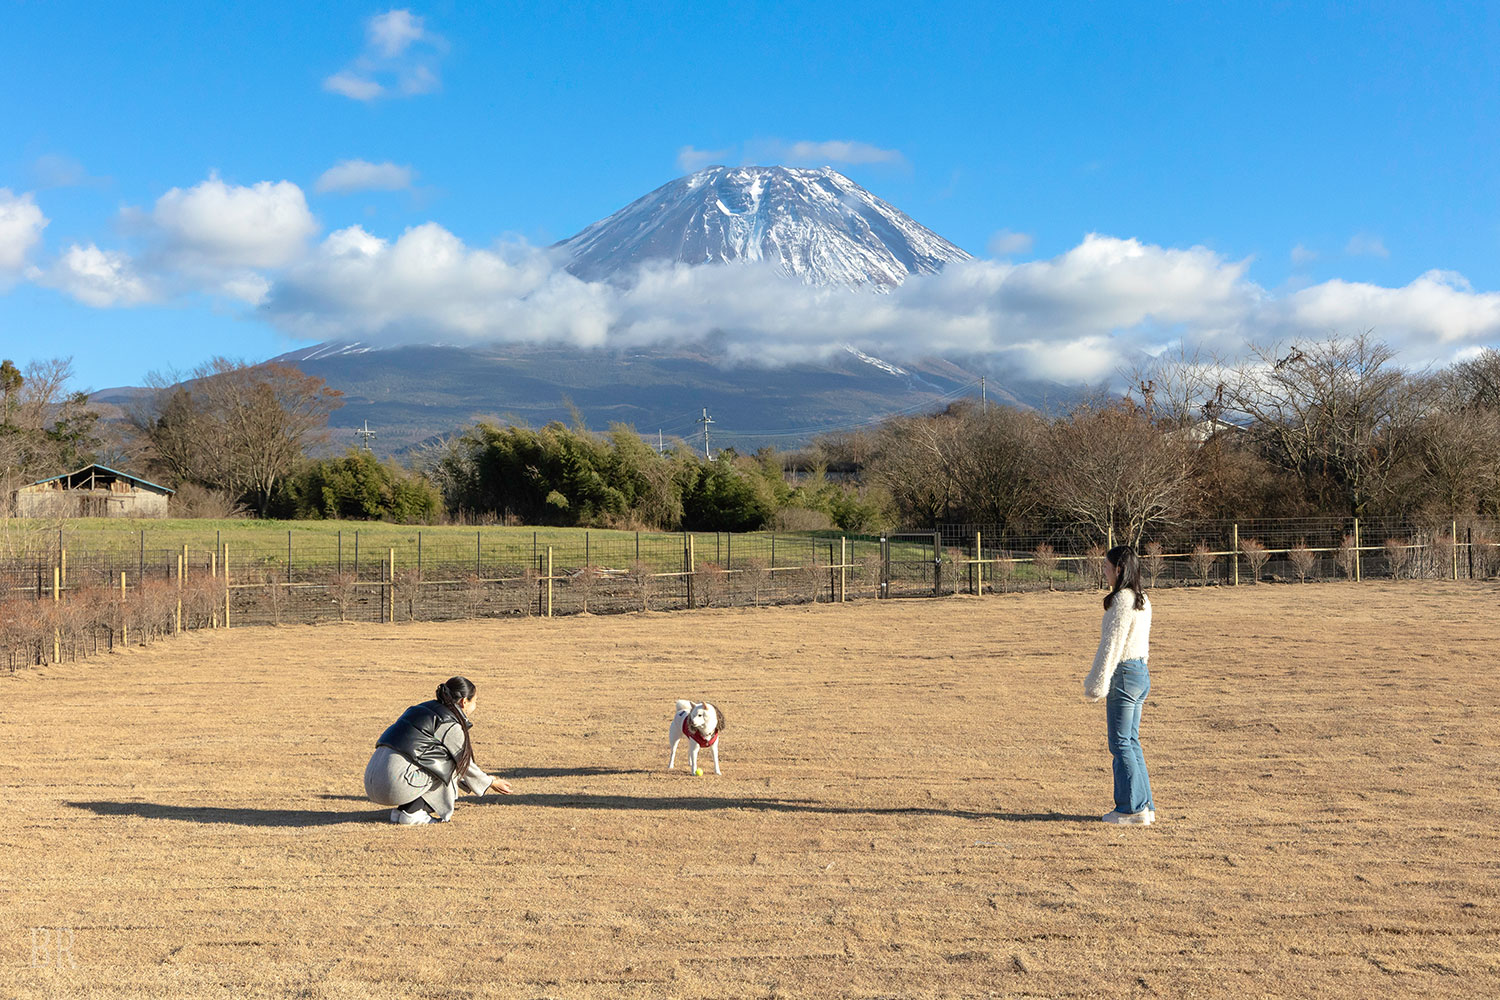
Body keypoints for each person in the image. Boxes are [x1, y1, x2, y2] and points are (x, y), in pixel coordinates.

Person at [364, 676, 513, 824]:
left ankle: (403, 811)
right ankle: (412, 813)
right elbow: (464, 764)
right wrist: (490, 783)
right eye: (475, 701)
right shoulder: (449, 723)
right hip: (392, 785)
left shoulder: (420, 709)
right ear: (464, 702)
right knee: (449, 761)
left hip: (372, 781)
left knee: (435, 759)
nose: (476, 705)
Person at [1083, 545, 1155, 826]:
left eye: (1106, 565)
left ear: (1119, 568)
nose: (1104, 570)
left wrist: (1096, 683)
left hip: (1124, 674)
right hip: (1139, 672)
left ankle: (1130, 809)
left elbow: (1111, 645)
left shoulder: (1122, 600)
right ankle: (1144, 806)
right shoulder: (1142, 598)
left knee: (1121, 743)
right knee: (1131, 741)